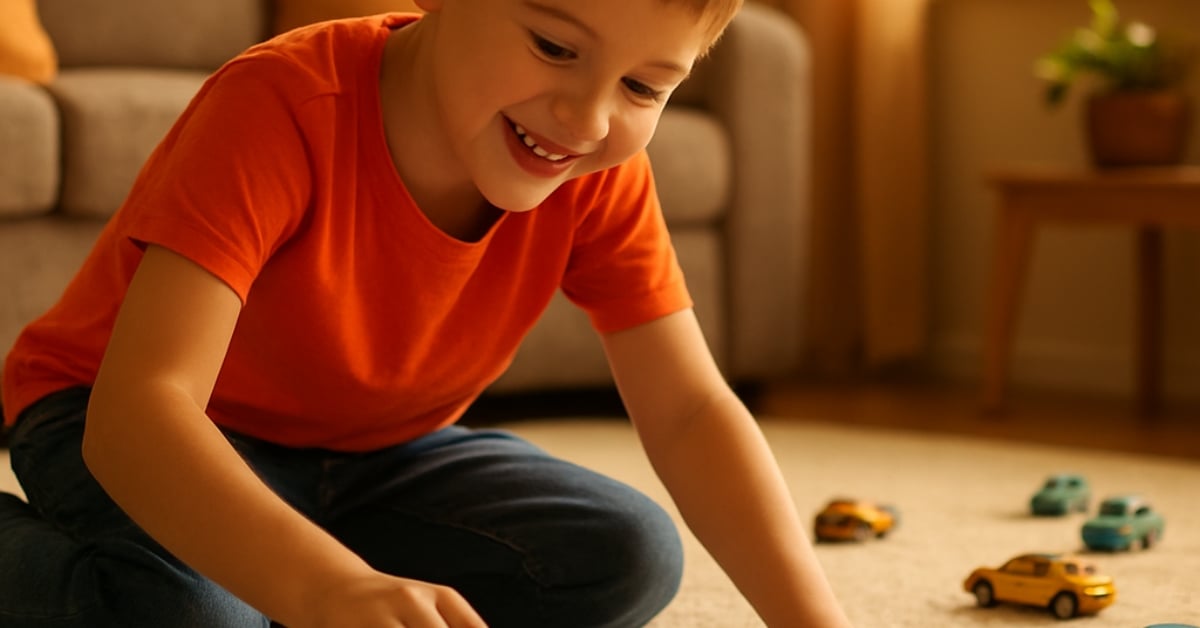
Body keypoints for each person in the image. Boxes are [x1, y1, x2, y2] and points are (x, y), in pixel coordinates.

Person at [0, 0, 853, 626]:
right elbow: (140, 413)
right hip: (117, 418)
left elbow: (691, 409)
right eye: (555, 46)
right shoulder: (280, 105)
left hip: (371, 451)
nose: (587, 119)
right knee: (193, 618)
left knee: (626, 553)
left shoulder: (596, 174)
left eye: (641, 85)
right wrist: (327, 587)